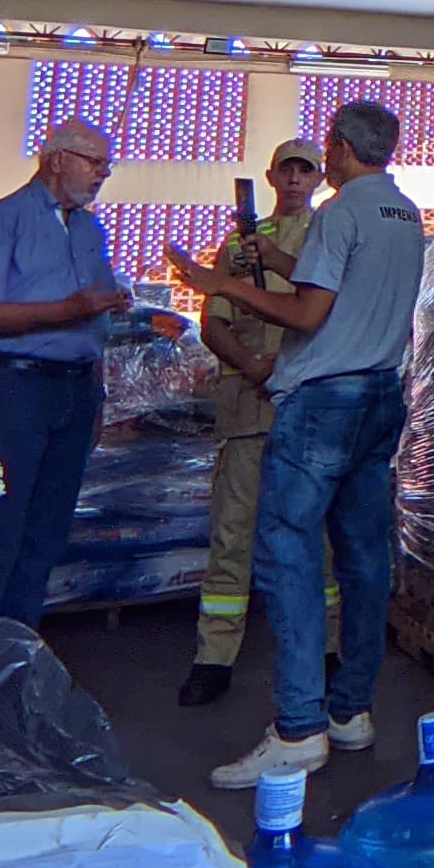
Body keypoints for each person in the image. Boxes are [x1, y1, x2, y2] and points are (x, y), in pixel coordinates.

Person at [171, 99, 427, 787]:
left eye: (315, 159)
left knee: (288, 554)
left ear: (337, 149)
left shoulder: (338, 213)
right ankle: (351, 710)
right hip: (379, 395)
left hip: (322, 403)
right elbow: (345, 287)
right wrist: (276, 259)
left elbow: (308, 312)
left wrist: (221, 284)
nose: (302, 174)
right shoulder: (404, 214)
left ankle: (297, 728)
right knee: (364, 558)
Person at [0, 117, 132, 627]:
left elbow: (94, 321)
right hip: (14, 387)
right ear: (57, 160)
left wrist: (98, 391)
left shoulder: (90, 230)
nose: (102, 174)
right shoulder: (2, 220)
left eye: (107, 165)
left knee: (47, 532)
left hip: (76, 390)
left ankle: (19, 645)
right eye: (95, 163)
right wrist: (67, 310)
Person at [178, 136, 328, 708]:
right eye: (286, 171)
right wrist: (251, 364)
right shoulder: (241, 244)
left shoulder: (329, 240)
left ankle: (326, 649)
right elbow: (213, 320)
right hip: (248, 406)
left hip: (307, 406)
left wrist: (286, 368)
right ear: (270, 177)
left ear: (318, 180)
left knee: (317, 537)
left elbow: (331, 319)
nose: (294, 181)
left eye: (305, 172)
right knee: (232, 535)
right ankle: (214, 657)